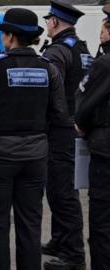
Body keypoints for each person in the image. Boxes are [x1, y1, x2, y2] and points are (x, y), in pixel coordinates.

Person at [0, 8, 69, 270]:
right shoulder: (48, 69)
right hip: (35, 158)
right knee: (30, 224)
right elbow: (61, 114)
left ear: (8, 37)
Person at [40, 1, 93, 269]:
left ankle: (73, 256)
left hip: (60, 131)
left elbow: (50, 92)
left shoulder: (57, 51)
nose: (47, 24)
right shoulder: (82, 49)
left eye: (48, 20)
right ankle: (60, 240)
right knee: (61, 189)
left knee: (63, 194)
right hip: (74, 128)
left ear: (55, 22)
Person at [75, 6, 110, 270]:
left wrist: (81, 126)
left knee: (103, 226)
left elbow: (85, 105)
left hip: (106, 152)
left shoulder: (105, 63)